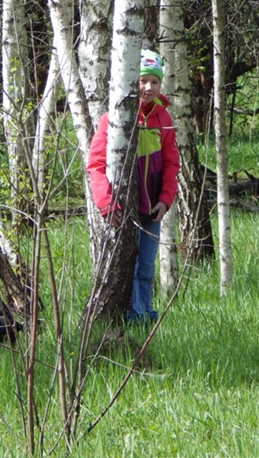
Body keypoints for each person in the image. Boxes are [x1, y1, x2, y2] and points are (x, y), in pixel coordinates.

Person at [87, 50, 180, 323]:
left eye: (154, 82)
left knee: (146, 265)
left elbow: (171, 163)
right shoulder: (113, 119)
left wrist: (165, 199)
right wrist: (105, 202)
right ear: (131, 83)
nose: (148, 88)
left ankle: (144, 311)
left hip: (152, 207)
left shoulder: (163, 119)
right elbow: (95, 164)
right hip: (122, 206)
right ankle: (130, 313)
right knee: (127, 262)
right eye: (142, 81)